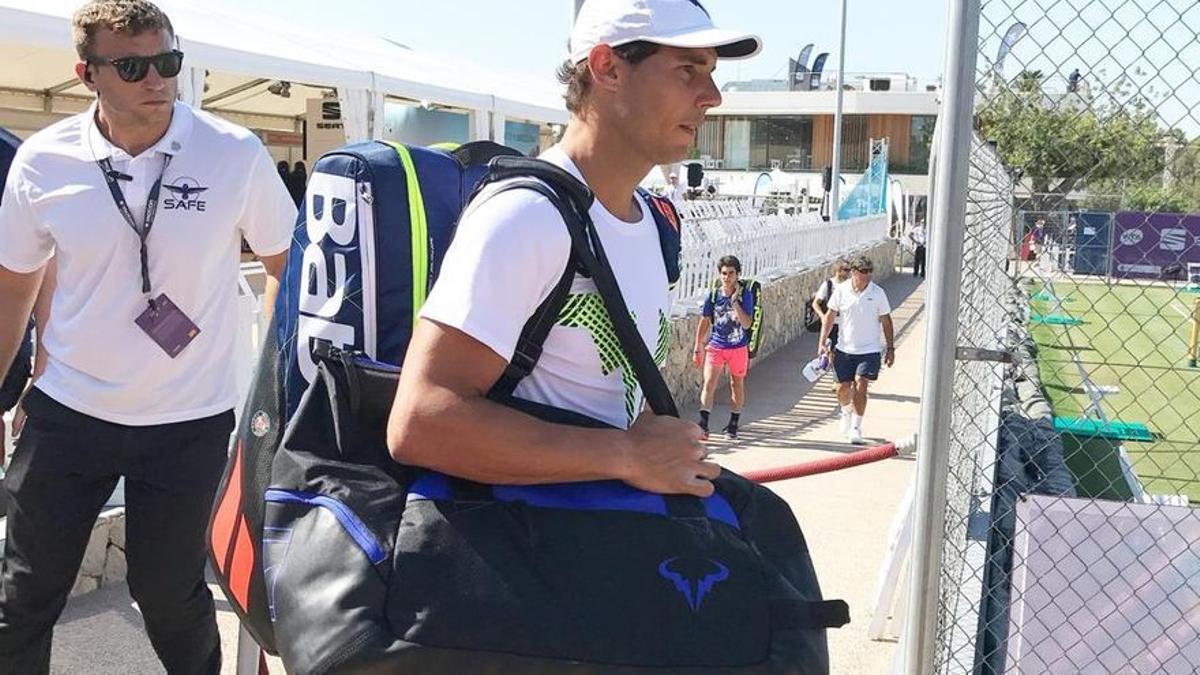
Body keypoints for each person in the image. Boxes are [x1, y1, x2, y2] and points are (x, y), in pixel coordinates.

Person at [0, 1, 297, 671]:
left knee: (169, 594)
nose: (157, 80)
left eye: (168, 63)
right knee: (23, 594)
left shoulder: (233, 153)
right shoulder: (45, 162)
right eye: (132, 67)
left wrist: (264, 387)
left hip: (187, 419)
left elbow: (289, 265)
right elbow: (14, 287)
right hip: (68, 413)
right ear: (87, 74)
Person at [386, 1, 760, 499]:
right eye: (687, 71)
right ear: (607, 67)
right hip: (521, 558)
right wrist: (625, 454)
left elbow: (613, 401)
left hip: (595, 551)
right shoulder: (524, 218)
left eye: (711, 74)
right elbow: (420, 421)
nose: (711, 96)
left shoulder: (653, 223)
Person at [817, 255, 894, 444]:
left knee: (861, 384)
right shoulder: (841, 291)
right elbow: (829, 316)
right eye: (863, 272)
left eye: (870, 272)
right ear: (853, 272)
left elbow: (886, 321)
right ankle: (845, 413)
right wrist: (822, 342)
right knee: (842, 388)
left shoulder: (878, 293)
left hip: (869, 350)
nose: (867, 276)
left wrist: (890, 348)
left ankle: (856, 427)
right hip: (844, 349)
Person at [693, 255, 755, 440]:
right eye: (724, 273)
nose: (727, 277)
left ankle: (733, 424)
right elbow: (704, 321)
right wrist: (698, 344)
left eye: (731, 273)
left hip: (738, 347)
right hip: (716, 346)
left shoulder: (746, 295)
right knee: (709, 382)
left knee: (736, 384)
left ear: (737, 275)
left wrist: (735, 302)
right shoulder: (713, 296)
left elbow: (746, 324)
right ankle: (703, 424)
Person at [812, 257, 851, 392]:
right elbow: (816, 302)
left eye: (849, 270)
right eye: (846, 270)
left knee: (844, 352)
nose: (848, 273)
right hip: (832, 324)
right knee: (832, 352)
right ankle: (836, 379)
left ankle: (840, 378)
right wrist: (823, 316)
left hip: (846, 324)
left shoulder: (850, 285)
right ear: (838, 270)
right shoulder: (828, 285)